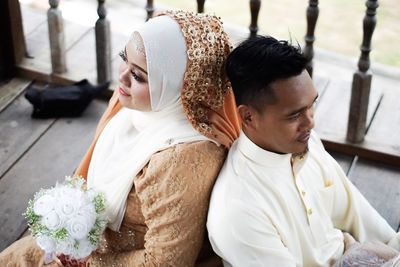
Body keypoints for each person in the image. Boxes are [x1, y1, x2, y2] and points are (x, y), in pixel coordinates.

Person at [0, 10, 240, 266]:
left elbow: (165, 262)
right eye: (124, 59)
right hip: (91, 245)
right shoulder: (135, 109)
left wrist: (89, 261)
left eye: (139, 76)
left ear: (180, 87)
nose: (122, 77)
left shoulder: (179, 160)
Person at [207, 35, 400, 267]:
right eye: (295, 115)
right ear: (248, 116)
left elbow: (362, 219)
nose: (310, 123)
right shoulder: (238, 211)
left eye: (312, 105)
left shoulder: (305, 144)